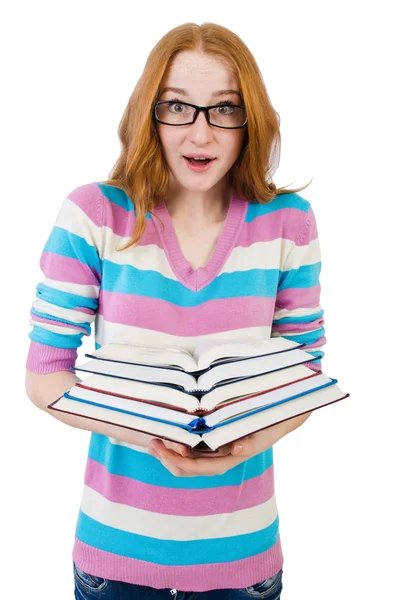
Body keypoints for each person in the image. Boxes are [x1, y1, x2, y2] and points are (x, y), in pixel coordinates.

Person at [25, 22, 326, 600]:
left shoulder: (289, 222)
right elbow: (44, 378)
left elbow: (305, 376)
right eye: (178, 108)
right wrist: (148, 433)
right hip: (117, 558)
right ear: (149, 115)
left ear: (250, 119)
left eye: (224, 109)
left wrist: (243, 445)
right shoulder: (95, 215)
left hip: (245, 558)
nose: (201, 132)